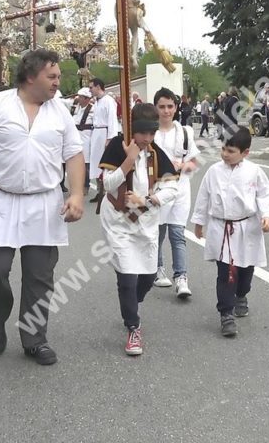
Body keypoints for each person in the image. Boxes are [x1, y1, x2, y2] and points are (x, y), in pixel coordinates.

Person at [0, 49, 85, 365]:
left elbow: (74, 154)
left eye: (58, 76)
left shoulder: (59, 111)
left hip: (44, 202)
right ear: (30, 76)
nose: (57, 81)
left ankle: (35, 339)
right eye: (52, 76)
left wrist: (76, 194)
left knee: (40, 276)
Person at [97, 102, 179, 356]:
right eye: (143, 133)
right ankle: (133, 326)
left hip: (144, 221)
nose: (147, 138)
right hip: (118, 220)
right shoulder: (117, 146)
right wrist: (128, 161)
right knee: (127, 277)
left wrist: (148, 200)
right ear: (133, 129)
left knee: (147, 277)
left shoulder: (155, 153)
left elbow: (172, 188)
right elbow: (108, 185)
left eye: (151, 133)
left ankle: (133, 301)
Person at [191, 129, 269, 337]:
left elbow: (264, 195)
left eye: (230, 151)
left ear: (245, 152)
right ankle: (226, 313)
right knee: (226, 273)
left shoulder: (254, 172)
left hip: (247, 227)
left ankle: (241, 294)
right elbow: (204, 196)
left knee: (245, 272)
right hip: (222, 227)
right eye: (223, 149)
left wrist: (267, 216)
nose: (225, 154)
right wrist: (199, 222)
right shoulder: (214, 171)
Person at [152, 88, 200, 296]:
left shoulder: (185, 132)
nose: (166, 111)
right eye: (162, 106)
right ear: (155, 108)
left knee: (177, 234)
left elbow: (194, 162)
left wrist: (180, 165)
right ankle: (157, 268)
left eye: (170, 106)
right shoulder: (149, 132)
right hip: (157, 189)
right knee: (158, 232)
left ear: (176, 107)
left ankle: (181, 277)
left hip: (180, 188)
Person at [88, 78, 120, 203]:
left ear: (98, 87)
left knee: (105, 163)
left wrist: (110, 138)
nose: (90, 90)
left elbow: (112, 120)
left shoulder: (108, 101)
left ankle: (106, 192)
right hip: (96, 133)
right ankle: (99, 191)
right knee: (96, 163)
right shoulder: (96, 102)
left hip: (104, 133)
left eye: (91, 87)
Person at [72, 87, 95, 195]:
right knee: (76, 164)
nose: (78, 99)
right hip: (76, 139)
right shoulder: (76, 108)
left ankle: (86, 185)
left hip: (86, 139)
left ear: (86, 99)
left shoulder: (92, 109)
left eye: (81, 97)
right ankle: (77, 185)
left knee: (85, 165)